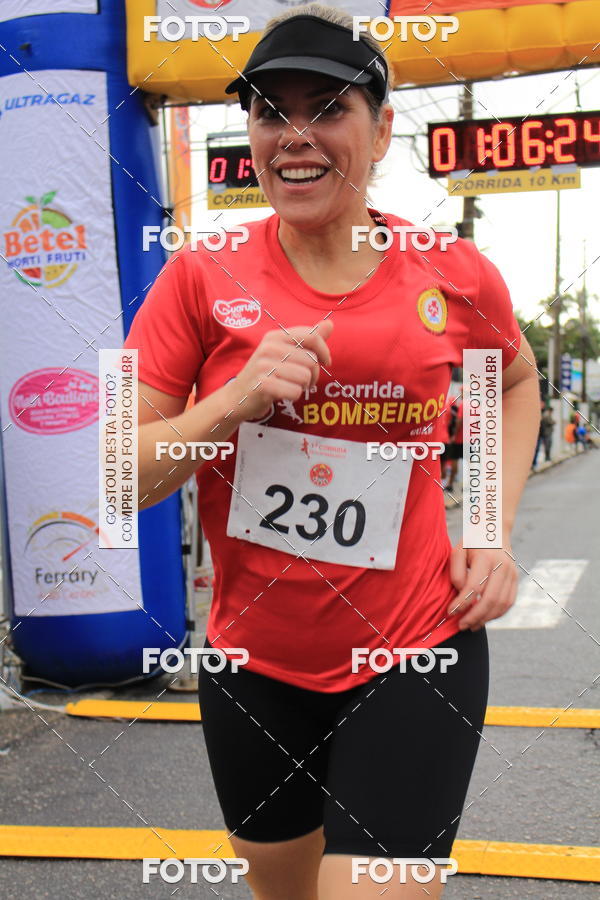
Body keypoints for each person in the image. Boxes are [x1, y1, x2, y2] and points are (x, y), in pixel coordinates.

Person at [124, 4, 540, 897]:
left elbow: (506, 382)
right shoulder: (199, 274)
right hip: (253, 663)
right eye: (273, 111)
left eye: (329, 107)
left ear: (383, 128)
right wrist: (231, 403)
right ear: (251, 132)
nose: (296, 135)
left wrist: (490, 529)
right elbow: (119, 472)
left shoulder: (453, 273)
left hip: (416, 647)